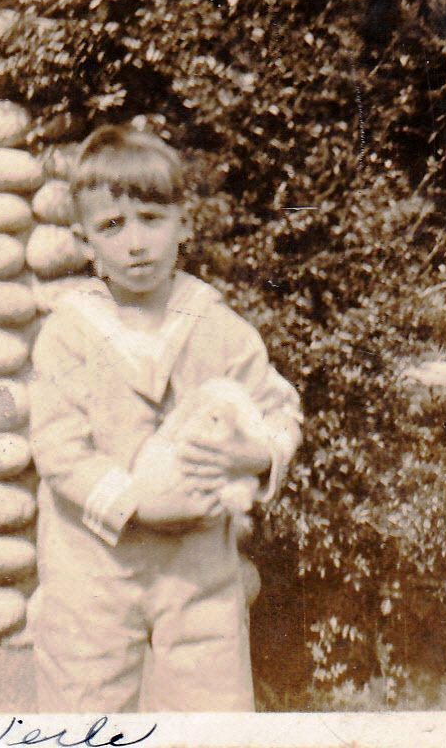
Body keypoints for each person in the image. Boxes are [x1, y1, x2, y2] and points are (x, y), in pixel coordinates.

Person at [29, 124, 302, 713]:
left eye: (151, 219)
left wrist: (256, 455)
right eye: (112, 226)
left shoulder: (218, 327)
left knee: (209, 705)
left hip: (197, 568)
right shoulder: (68, 333)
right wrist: (136, 502)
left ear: (184, 223)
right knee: (85, 703)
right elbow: (58, 448)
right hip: (93, 564)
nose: (135, 243)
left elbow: (278, 408)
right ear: (84, 242)